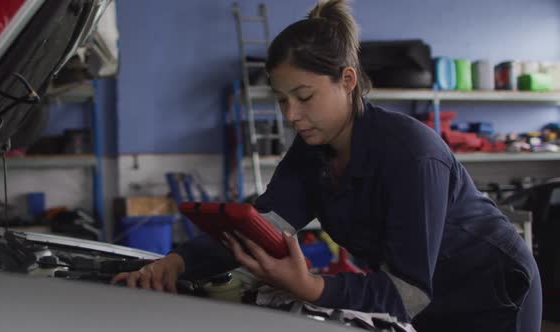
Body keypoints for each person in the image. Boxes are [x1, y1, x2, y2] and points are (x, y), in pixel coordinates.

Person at [112, 0, 542, 330]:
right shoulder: (311, 153)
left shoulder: (411, 154)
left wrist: (314, 288)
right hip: (423, 296)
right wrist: (178, 262)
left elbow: (410, 292)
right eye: (282, 100)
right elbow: (263, 227)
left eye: (304, 96)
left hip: (493, 292)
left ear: (347, 80)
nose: (290, 115)